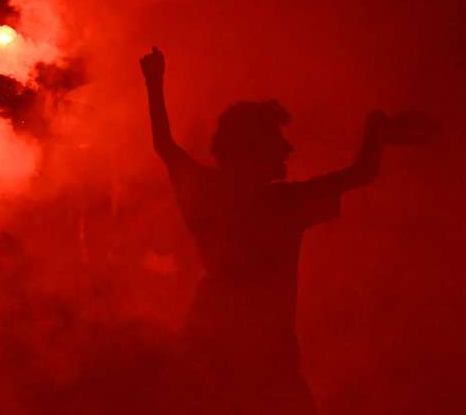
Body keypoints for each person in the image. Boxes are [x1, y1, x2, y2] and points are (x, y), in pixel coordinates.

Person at [139, 46, 437, 414]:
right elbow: (361, 173)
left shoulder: (216, 193)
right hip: (245, 359)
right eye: (276, 140)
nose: (288, 148)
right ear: (252, 148)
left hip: (238, 354)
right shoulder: (281, 204)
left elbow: (166, 147)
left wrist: (154, 81)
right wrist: (375, 131)